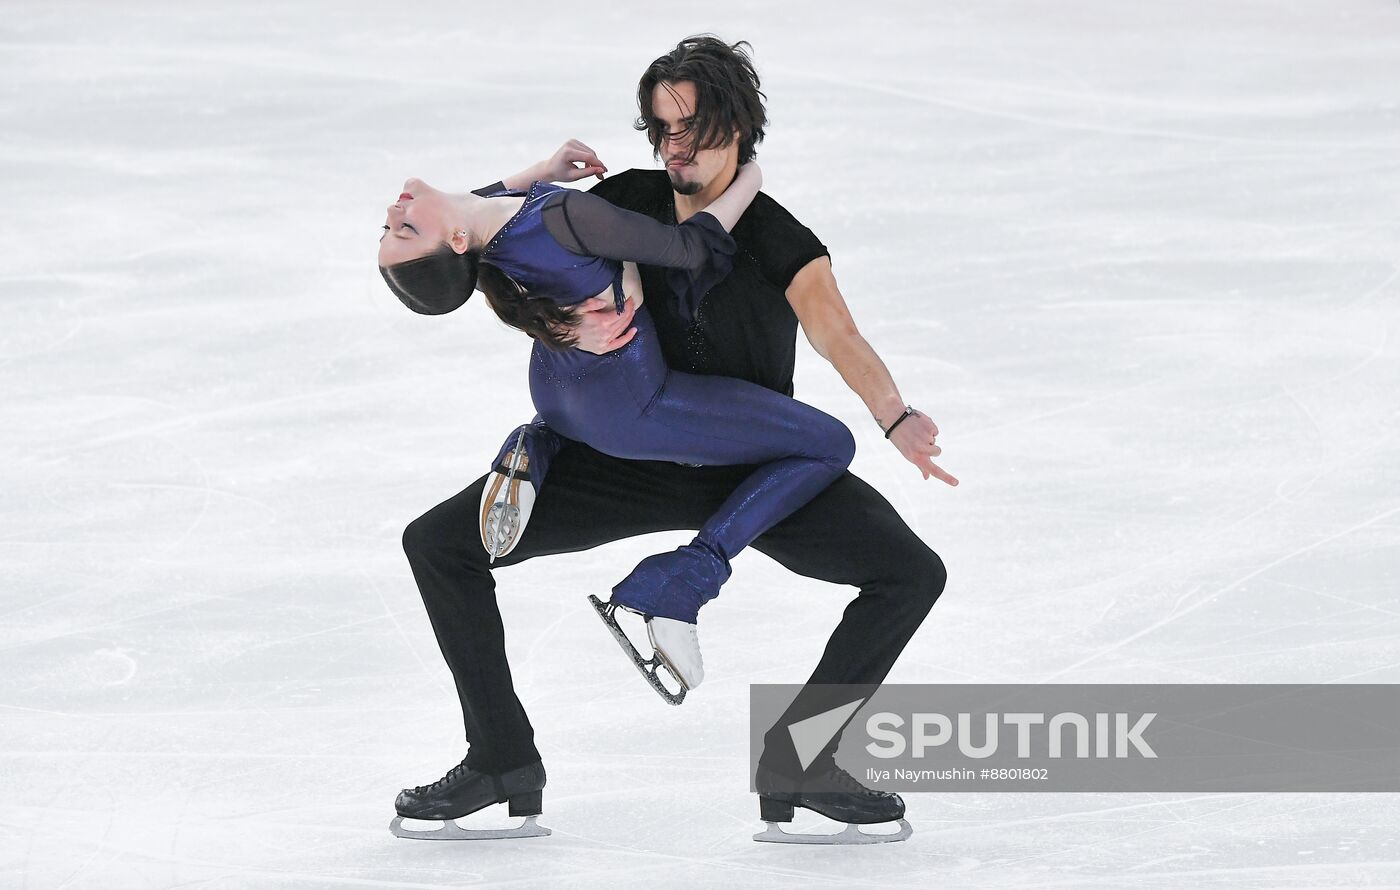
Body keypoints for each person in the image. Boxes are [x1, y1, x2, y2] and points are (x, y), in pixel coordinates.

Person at [392, 35, 955, 843]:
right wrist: (554, 325)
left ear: (740, 127)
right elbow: (499, 249)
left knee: (910, 574)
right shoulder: (625, 202)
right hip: (619, 459)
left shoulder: (776, 238)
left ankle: (804, 757)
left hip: (753, 472)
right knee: (438, 545)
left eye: (693, 129)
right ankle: (501, 759)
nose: (675, 149)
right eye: (662, 130)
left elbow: (838, 335)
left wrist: (895, 415)